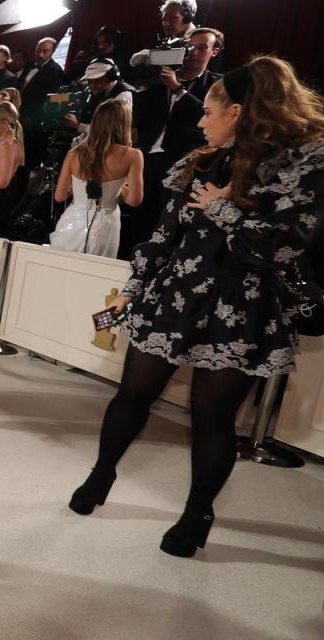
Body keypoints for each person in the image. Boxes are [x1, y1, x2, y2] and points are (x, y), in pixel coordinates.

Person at [69, 57, 324, 558]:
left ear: (239, 110)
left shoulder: (306, 164)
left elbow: (282, 247)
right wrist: (133, 285)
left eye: (208, 111)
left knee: (213, 419)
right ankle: (101, 474)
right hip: (177, 291)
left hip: (245, 307)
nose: (201, 122)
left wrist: (223, 208)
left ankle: (197, 513)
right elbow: (164, 236)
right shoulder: (204, 161)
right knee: (131, 395)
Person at [127, 27, 223, 254]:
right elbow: (139, 118)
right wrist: (145, 82)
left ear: (214, 52)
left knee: (169, 221)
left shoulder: (217, 85)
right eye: (190, 47)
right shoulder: (159, 79)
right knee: (139, 218)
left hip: (185, 161)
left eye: (202, 48)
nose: (194, 53)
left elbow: (207, 117)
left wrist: (178, 89)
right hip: (148, 157)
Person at [50, 100, 144, 257]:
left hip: (70, 225)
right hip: (105, 227)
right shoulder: (133, 156)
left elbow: (59, 196)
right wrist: (118, 188)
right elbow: (134, 200)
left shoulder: (75, 153)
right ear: (124, 123)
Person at [20, 37, 68, 168]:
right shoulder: (29, 64)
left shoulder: (55, 71)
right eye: (38, 50)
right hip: (19, 114)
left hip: (34, 123)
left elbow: (50, 99)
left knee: (29, 160)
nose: (40, 54)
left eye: (45, 51)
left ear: (52, 52)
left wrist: (32, 118)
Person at [0, 102, 29, 238]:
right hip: (0, 200)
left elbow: (2, 182)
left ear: (4, 124)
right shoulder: (9, 143)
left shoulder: (7, 145)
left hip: (0, 202)